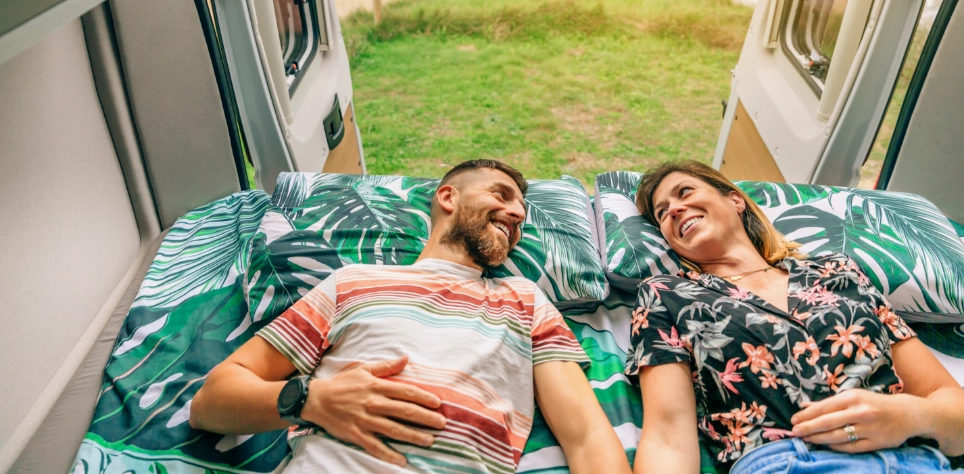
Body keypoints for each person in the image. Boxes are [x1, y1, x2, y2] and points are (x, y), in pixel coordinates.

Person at [190, 160, 631, 473]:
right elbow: (210, 403)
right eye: (501, 195)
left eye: (521, 212)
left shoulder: (524, 298)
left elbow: (588, 437)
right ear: (447, 197)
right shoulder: (353, 281)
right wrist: (311, 401)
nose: (517, 214)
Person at [625, 160, 964, 473]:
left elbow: (949, 406)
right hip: (788, 463)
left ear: (735, 200)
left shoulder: (838, 272)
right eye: (662, 213)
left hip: (915, 461)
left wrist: (908, 417)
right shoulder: (666, 295)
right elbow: (668, 439)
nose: (674, 210)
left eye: (684, 192)